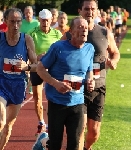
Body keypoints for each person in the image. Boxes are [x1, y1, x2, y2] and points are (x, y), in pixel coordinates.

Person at [61, 0, 120, 149]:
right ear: (80, 10)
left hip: (99, 87)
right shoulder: (70, 33)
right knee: (80, 129)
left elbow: (115, 53)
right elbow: (58, 51)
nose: (90, 12)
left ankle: (87, 147)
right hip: (78, 88)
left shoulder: (105, 32)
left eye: (93, 9)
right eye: (86, 9)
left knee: (94, 133)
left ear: (97, 11)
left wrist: (113, 61)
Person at [36, 16, 95, 150]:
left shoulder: (89, 49)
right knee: (55, 144)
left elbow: (89, 72)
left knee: (74, 144)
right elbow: (40, 68)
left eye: (85, 28)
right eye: (80, 27)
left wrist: (90, 81)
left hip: (78, 103)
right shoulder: (58, 47)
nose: (84, 30)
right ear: (71, 32)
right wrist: (56, 83)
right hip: (57, 103)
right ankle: (43, 142)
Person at [0, 8, 37, 150]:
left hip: (18, 86)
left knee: (8, 126)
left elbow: (36, 66)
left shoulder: (26, 39)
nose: (15, 25)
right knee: (1, 120)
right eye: (12, 22)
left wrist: (26, 67)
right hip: (1, 82)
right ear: (5, 22)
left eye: (18, 22)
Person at [27, 9, 62, 137]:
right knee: (37, 97)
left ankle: (54, 122)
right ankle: (41, 122)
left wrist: (51, 57)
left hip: (53, 70)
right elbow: (28, 52)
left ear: (51, 20)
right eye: (42, 20)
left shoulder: (57, 34)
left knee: (53, 97)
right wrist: (37, 57)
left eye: (47, 20)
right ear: (39, 20)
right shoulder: (32, 33)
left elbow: (61, 51)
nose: (45, 22)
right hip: (37, 68)